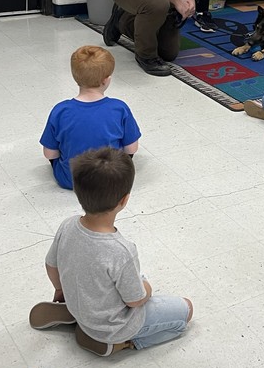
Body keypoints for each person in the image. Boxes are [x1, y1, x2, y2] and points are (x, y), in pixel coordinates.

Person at [28, 147, 193, 357]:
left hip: (78, 302)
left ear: (78, 192)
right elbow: (134, 301)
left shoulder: (67, 225)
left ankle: (77, 315)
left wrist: (61, 291)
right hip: (115, 324)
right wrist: (147, 289)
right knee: (185, 311)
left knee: (112, 280)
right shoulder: (121, 250)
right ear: (124, 200)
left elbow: (51, 266)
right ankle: (120, 343)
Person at [40, 46, 140, 190]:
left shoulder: (60, 110)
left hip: (71, 180)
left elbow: (49, 153)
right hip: (112, 179)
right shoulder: (119, 108)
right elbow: (131, 149)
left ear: (75, 78)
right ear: (107, 80)